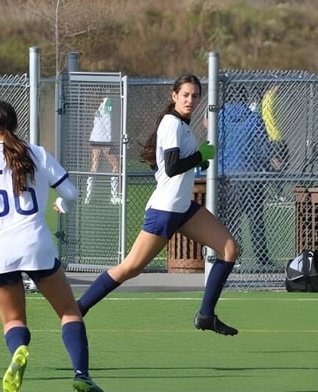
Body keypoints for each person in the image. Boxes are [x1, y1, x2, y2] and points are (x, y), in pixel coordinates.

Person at [0, 100, 104, 392]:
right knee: (69, 312)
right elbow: (70, 190)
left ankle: (18, 350)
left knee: (14, 320)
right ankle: (82, 374)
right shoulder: (37, 153)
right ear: (15, 126)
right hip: (36, 245)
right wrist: (63, 202)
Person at [77, 74, 241, 336]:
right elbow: (173, 166)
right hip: (165, 211)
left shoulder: (181, 125)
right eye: (185, 94)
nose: (190, 99)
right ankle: (78, 308)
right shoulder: (172, 124)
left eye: (195, 95)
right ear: (174, 96)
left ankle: (206, 315)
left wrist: (200, 160)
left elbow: (172, 165)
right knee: (130, 268)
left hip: (182, 209)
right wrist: (200, 156)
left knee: (229, 249)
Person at [217, 95, 276, 268]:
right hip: (251, 175)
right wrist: (266, 164)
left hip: (227, 175)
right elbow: (263, 149)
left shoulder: (219, 118)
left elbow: (215, 144)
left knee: (230, 219)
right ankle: (262, 259)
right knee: (256, 218)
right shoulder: (254, 118)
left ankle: (232, 257)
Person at [84, 96, 121, 205]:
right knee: (116, 165)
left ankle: (88, 196)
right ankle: (114, 196)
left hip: (95, 139)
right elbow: (110, 111)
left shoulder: (97, 110)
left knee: (94, 165)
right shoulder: (108, 102)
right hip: (104, 140)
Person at [261, 85, 288, 171]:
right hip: (272, 137)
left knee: (280, 162)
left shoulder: (274, 98)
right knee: (277, 163)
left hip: (276, 137)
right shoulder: (269, 97)